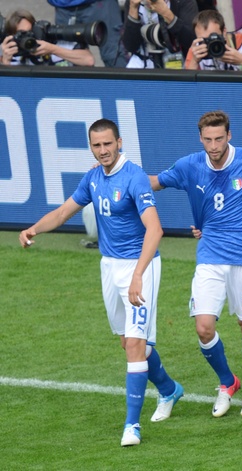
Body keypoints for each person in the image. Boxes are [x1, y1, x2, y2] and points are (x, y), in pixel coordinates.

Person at [19, 118, 183, 447]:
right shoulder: (93, 178)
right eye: (97, 145)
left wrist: (138, 274)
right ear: (91, 147)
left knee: (136, 347)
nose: (103, 150)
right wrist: (34, 228)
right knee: (129, 343)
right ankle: (169, 389)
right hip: (109, 267)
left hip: (141, 266)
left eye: (108, 144)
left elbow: (155, 229)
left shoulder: (134, 177)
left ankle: (131, 426)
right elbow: (64, 212)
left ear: (119, 142)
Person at [149, 110, 242, 418]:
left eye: (219, 139)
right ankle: (228, 382)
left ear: (230, 136)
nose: (214, 146)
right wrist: (115, 172)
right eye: (208, 140)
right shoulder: (189, 165)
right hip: (209, 256)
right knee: (203, 327)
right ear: (200, 138)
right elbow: (154, 182)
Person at [1, 8, 95, 66]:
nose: (28, 39)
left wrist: (53, 49)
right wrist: (6, 61)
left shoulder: (54, 41)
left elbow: (88, 60)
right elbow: (12, 89)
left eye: (30, 32)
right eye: (21, 35)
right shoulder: (13, 53)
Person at [47, 0, 128, 67]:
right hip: (63, 5)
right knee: (70, 61)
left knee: (114, 57)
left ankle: (123, 86)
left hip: (101, 3)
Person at [122, 0, 198, 69]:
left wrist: (166, 13)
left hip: (174, 59)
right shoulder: (133, 3)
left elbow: (190, 41)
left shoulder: (184, 2)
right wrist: (133, 9)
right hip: (142, 60)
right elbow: (130, 46)